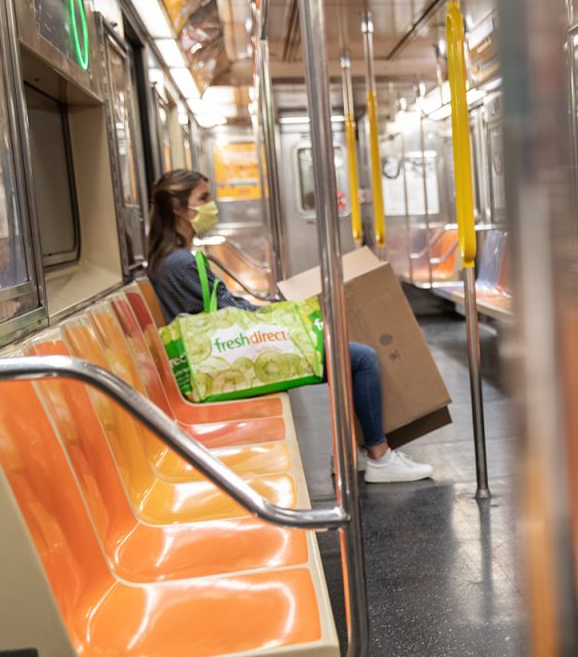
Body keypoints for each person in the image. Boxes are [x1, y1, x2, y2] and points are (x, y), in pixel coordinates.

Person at [146, 169, 433, 484]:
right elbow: (227, 314)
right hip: (228, 361)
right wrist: (277, 314)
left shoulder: (173, 258)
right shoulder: (181, 263)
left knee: (339, 349)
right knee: (361, 358)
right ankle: (379, 455)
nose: (211, 206)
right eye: (203, 199)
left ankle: (351, 451)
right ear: (179, 209)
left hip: (222, 352)